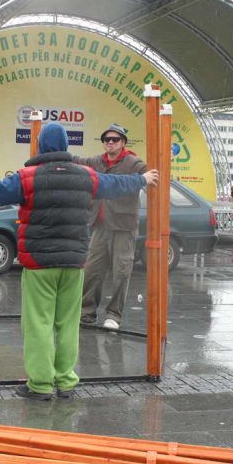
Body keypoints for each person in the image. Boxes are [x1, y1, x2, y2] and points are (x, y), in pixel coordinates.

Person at [0, 123, 158, 400]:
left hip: (40, 264)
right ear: (65, 146)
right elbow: (118, 185)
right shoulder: (87, 176)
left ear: (41, 146)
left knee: (39, 324)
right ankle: (66, 381)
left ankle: (40, 385)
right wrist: (142, 179)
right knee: (68, 324)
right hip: (73, 264)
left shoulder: (28, 177)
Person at [74, 123, 147, 330]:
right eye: (107, 139)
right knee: (92, 271)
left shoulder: (133, 163)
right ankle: (86, 313)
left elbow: (151, 175)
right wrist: (53, 154)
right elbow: (76, 161)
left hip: (124, 227)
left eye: (115, 139)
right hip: (100, 226)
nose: (111, 143)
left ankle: (114, 315)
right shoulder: (97, 161)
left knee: (121, 272)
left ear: (123, 142)